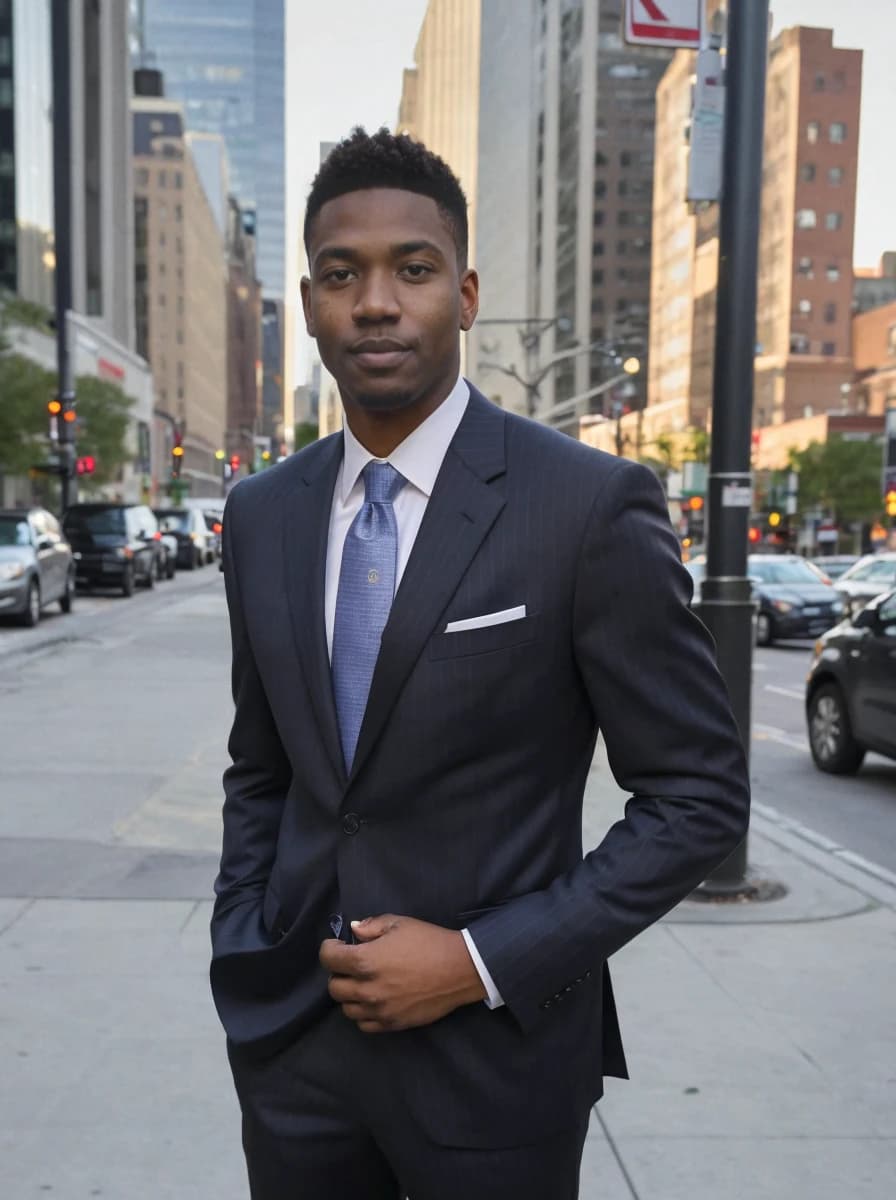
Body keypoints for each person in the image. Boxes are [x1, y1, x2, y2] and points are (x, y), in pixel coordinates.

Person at [211, 127, 750, 1200]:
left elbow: (695, 799)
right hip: (293, 1054)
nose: (374, 301)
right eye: (339, 273)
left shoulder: (586, 508)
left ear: (462, 294)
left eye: (410, 270)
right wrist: (245, 938)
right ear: (310, 301)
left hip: (493, 1065)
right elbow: (262, 769)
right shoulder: (260, 514)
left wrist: (475, 962)